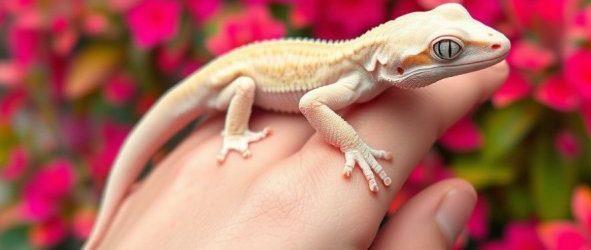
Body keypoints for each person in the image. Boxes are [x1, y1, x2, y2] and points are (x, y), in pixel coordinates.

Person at [93, 62, 508, 249]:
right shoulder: (356, 80)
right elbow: (311, 103)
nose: (492, 44)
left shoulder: (364, 75)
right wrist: (352, 144)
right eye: (449, 50)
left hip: (245, 73)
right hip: (234, 83)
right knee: (242, 87)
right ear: (396, 67)